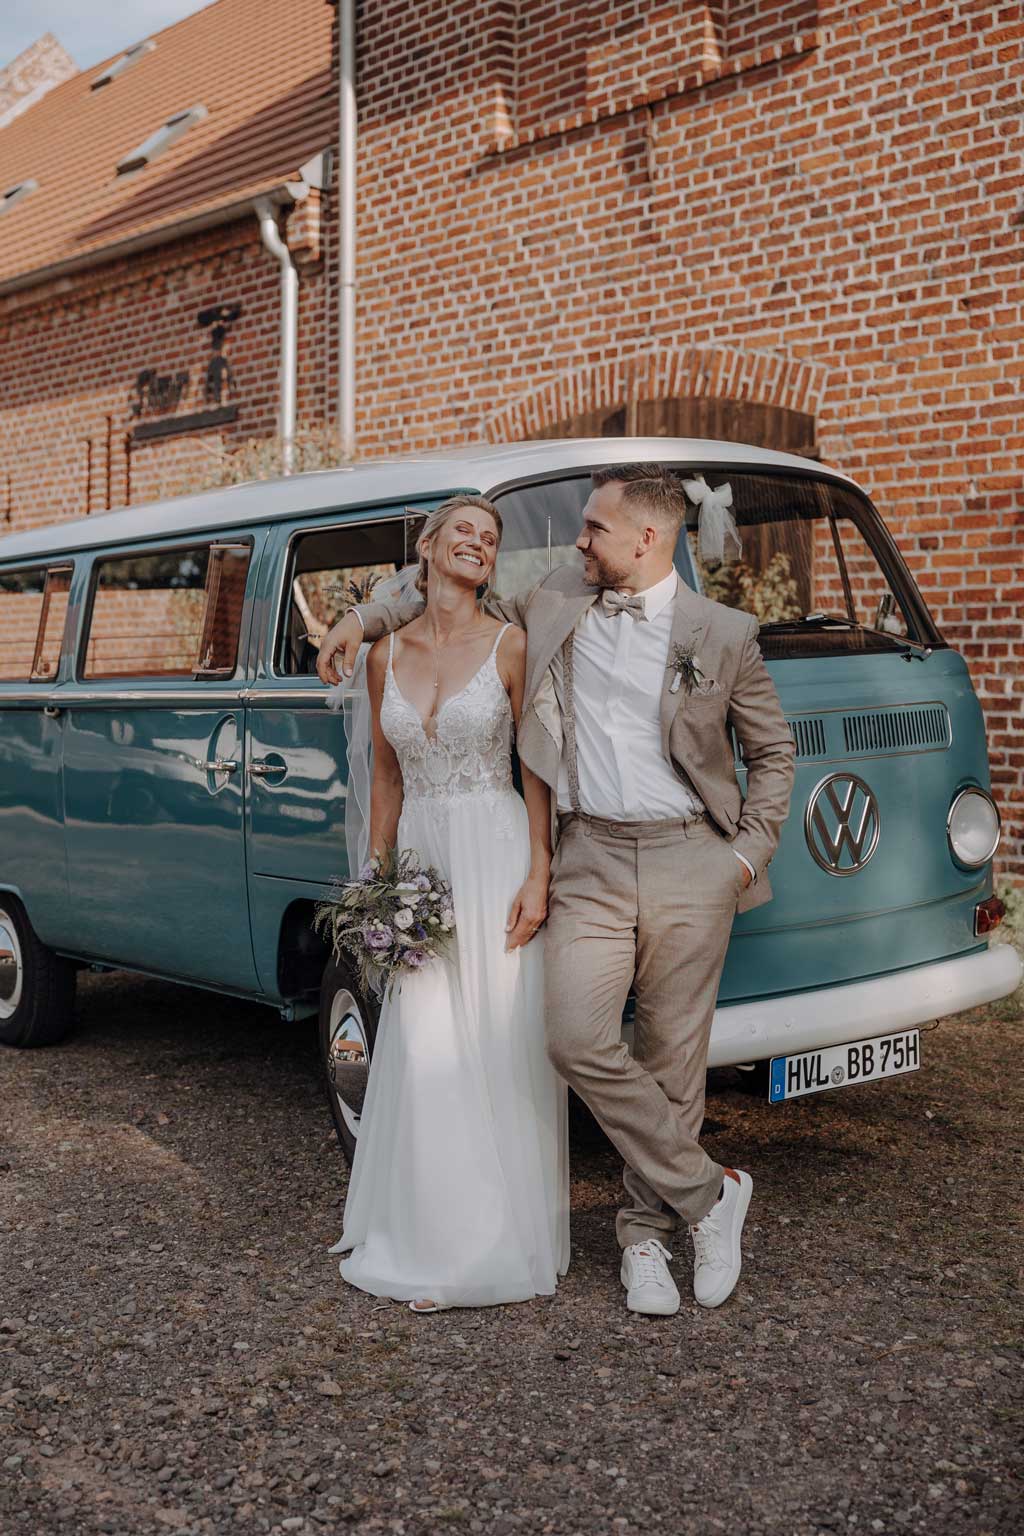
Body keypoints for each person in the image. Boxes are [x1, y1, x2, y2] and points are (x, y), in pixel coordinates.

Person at [320, 465, 795, 1318]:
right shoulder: (556, 600)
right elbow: (437, 585)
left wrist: (743, 862)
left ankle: (646, 1238)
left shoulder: (723, 632)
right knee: (572, 1038)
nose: (577, 543)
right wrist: (358, 618)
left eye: (593, 529)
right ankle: (714, 1192)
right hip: (592, 858)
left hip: (694, 857)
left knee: (673, 1061)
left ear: (646, 540)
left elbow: (775, 755)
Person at [329, 494, 569, 1312]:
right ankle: (428, 1237)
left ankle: (498, 1241)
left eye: (491, 539)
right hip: (423, 868)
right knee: (428, 1041)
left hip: (495, 855)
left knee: (494, 1042)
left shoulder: (511, 645)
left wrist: (539, 872)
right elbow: (387, 780)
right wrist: (378, 884)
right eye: (462, 532)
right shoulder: (382, 656)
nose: (478, 544)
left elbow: (535, 771)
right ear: (426, 549)